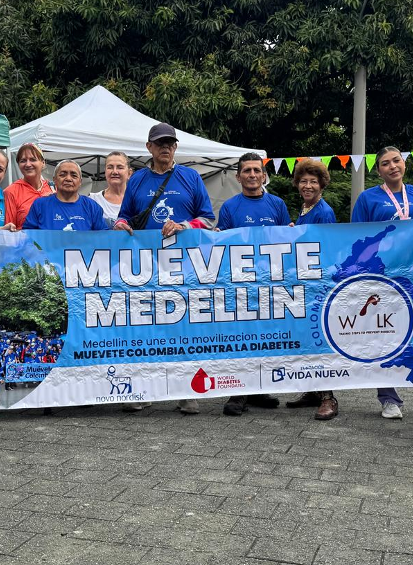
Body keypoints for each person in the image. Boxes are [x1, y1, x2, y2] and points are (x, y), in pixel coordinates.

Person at [115, 123, 215, 414]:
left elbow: (208, 220)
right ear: (149, 148)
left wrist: (184, 226)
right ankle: (144, 390)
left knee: (184, 329)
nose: (165, 148)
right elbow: (126, 217)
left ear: (176, 146)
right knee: (146, 329)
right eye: (160, 143)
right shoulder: (136, 180)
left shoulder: (191, 177)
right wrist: (122, 225)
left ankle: (186, 392)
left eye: (170, 143)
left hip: (185, 267)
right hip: (146, 267)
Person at [350, 146, 413, 423]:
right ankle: (388, 397)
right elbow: (357, 237)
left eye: (396, 161)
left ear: (404, 164)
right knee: (383, 333)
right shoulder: (368, 198)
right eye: (385, 163)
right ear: (379, 171)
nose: (392, 166)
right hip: (383, 277)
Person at [217, 152, 290, 417]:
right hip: (240, 284)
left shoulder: (278, 204)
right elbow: (220, 246)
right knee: (241, 338)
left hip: (271, 284)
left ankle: (257, 389)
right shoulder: (229, 207)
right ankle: (238, 392)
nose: (251, 175)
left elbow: (288, 243)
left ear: (263, 175)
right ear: (238, 177)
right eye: (246, 170)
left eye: (256, 170)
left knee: (265, 338)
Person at [286, 159, 339, 420]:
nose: (308, 185)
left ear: (321, 185)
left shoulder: (324, 211)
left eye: (313, 182)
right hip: (305, 285)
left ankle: (329, 397)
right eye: (304, 181)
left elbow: (325, 248)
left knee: (319, 341)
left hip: (318, 287)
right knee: (306, 340)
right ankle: (312, 391)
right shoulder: (306, 208)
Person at [23, 160, 108, 231]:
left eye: (74, 175)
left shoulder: (92, 207)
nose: (68, 179)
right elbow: (28, 237)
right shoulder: (40, 205)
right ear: (54, 180)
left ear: (80, 182)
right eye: (62, 175)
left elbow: (103, 238)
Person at [4, 143, 54, 229]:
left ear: (43, 163)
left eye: (33, 159)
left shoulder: (53, 188)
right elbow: (9, 230)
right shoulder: (11, 192)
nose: (28, 164)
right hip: (25, 241)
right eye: (23, 161)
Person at [90, 151, 132, 228]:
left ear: (129, 173)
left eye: (120, 167)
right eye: (110, 167)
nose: (114, 171)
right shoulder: (92, 200)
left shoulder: (137, 201)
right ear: (105, 172)